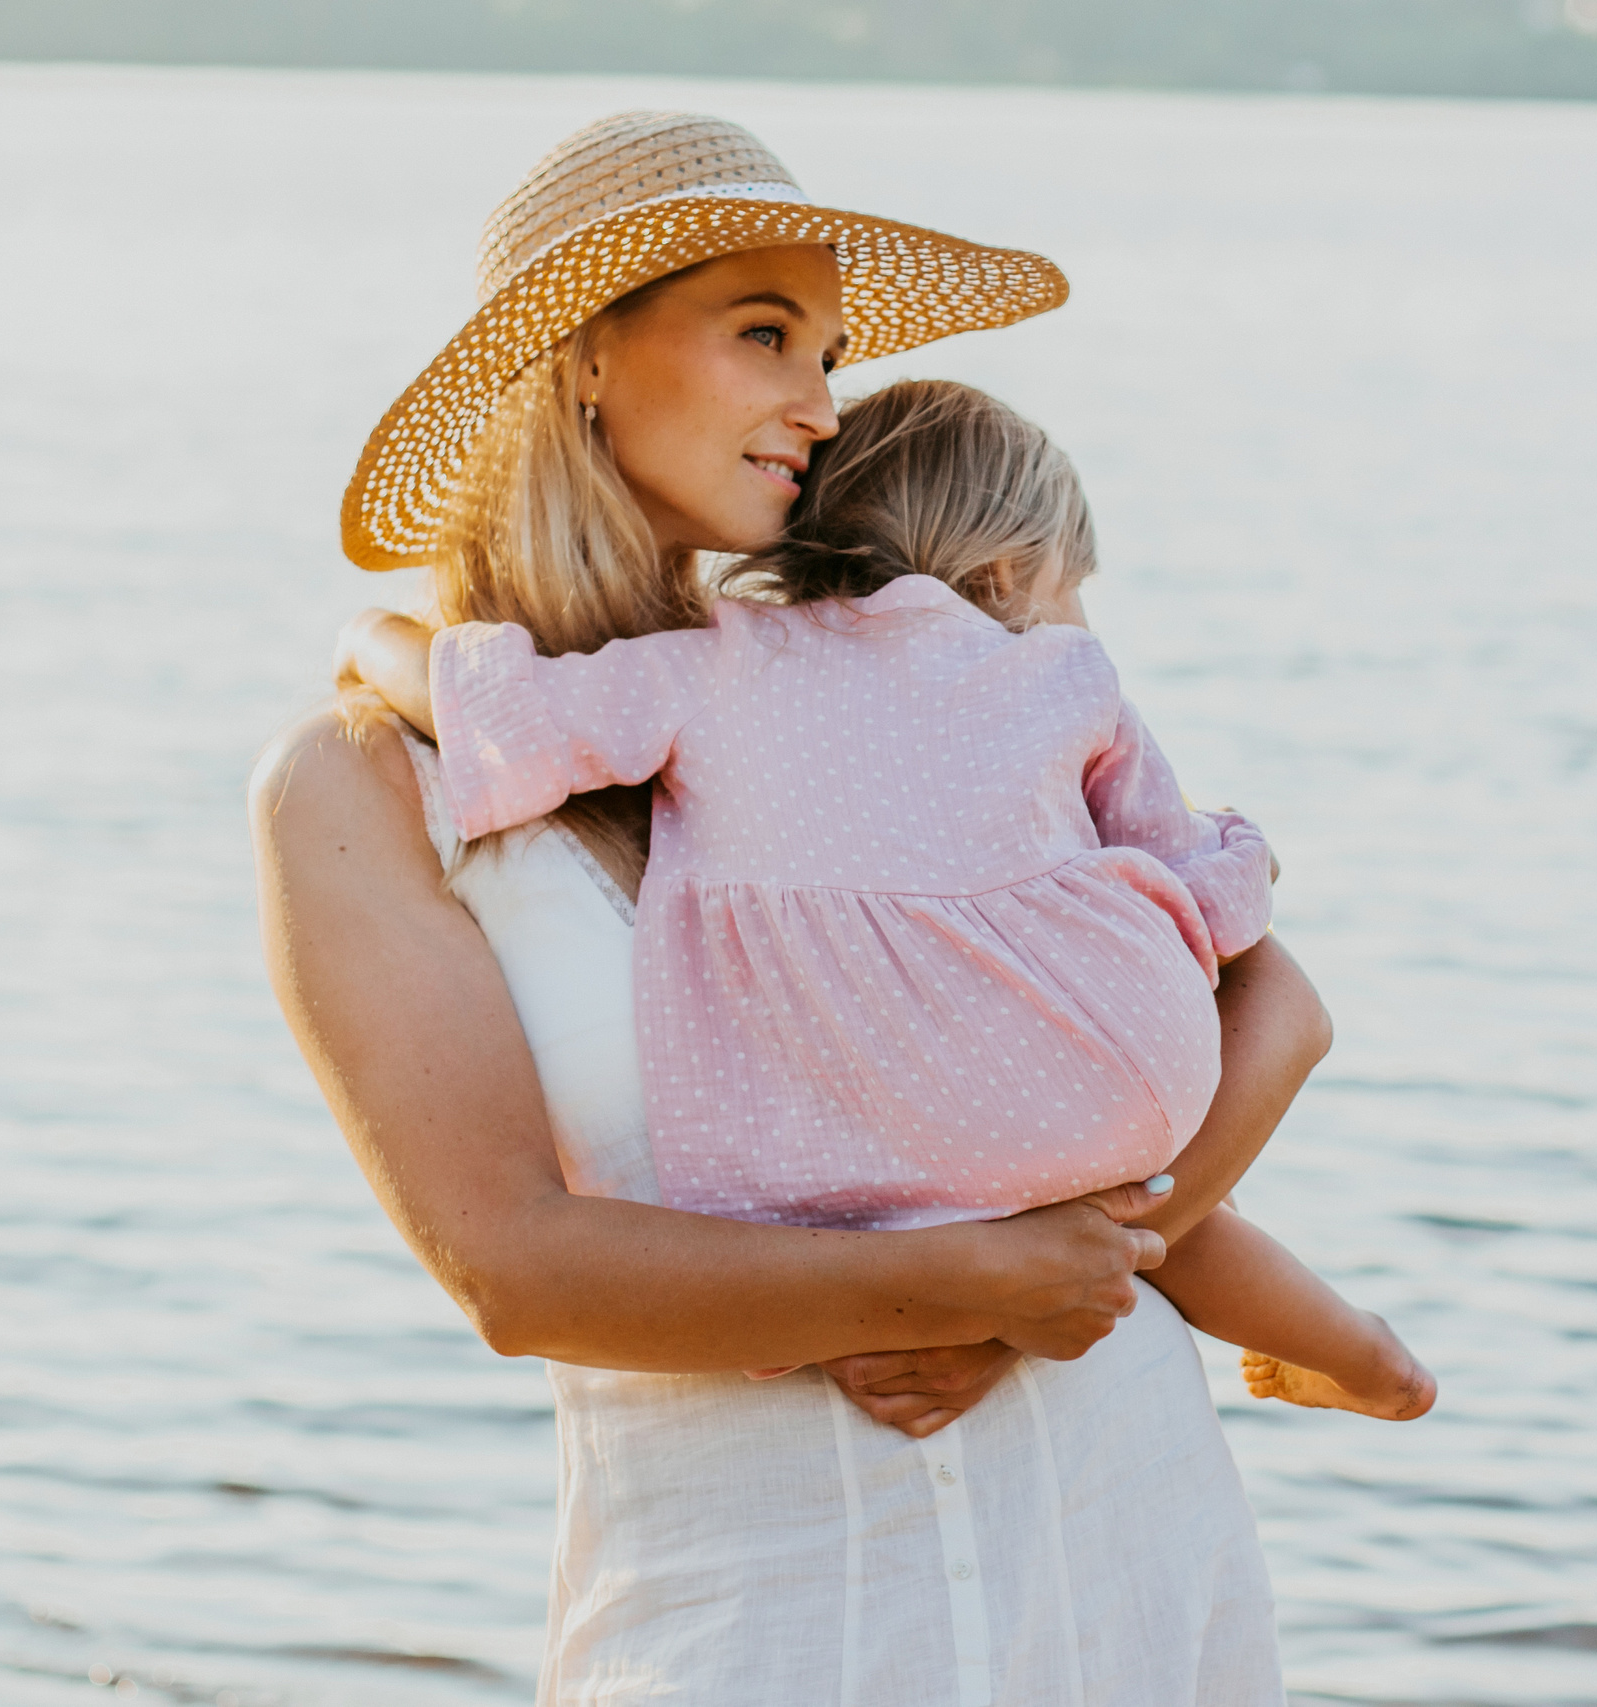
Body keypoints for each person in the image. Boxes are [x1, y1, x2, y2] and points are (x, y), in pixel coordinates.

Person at [249, 110, 1336, 1701]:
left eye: (829, 353)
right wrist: (967, 1289)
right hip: (764, 1622)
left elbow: (1273, 1002)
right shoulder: (362, 786)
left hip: (1123, 1549)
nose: (824, 406)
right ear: (580, 355)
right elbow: (513, 1269)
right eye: (766, 335)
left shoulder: (886, 668)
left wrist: (1051, 1286)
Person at [339, 376, 1438, 1421]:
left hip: (842, 1134)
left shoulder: (704, 660)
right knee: (1124, 1188)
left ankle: (1354, 1355)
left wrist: (366, 637)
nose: (1081, 619)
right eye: (1076, 587)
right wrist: (1245, 864)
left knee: (1011, 1160)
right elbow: (1206, 896)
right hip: (1125, 1072)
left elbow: (493, 715)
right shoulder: (1066, 675)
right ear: (1003, 577)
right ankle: (1368, 1361)